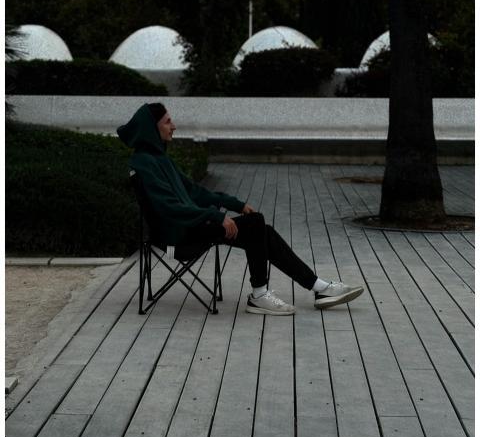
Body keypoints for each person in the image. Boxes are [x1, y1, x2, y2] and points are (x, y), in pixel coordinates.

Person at [117, 103, 364, 316]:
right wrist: (216, 216)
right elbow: (168, 207)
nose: (174, 126)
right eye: (168, 122)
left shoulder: (160, 159)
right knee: (257, 225)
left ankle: (317, 288)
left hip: (189, 227)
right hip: (175, 239)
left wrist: (235, 205)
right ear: (152, 128)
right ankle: (265, 295)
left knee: (259, 227)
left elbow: (196, 192)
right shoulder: (144, 164)